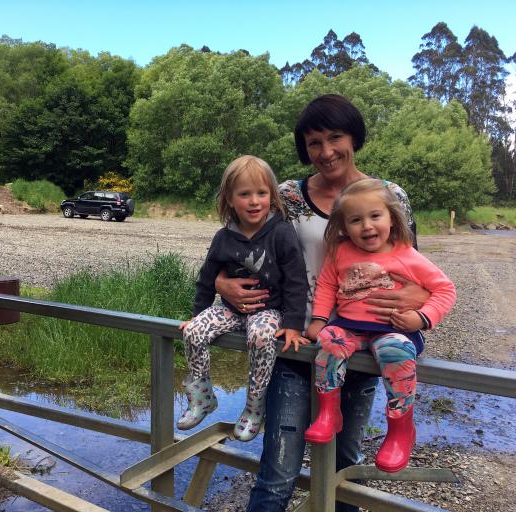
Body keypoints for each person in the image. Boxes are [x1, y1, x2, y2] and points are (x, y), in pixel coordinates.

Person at [215, 94, 430, 512]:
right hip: (296, 347)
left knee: (346, 468)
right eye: (314, 142)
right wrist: (223, 284)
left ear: (355, 137)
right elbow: (234, 250)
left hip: (364, 347)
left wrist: (410, 307)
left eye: (335, 137)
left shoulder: (388, 196)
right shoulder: (285, 197)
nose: (326, 151)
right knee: (277, 471)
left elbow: (414, 269)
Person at [304, 178, 456, 473]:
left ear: (391, 217)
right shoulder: (340, 252)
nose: (367, 226)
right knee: (328, 341)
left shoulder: (405, 253)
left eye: (375, 216)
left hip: (392, 329)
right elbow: (325, 286)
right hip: (348, 325)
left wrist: (422, 318)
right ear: (343, 226)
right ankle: (328, 412)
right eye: (356, 220)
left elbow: (446, 290)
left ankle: (400, 430)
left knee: (395, 353)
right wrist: (320, 320)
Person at [178, 155, 309, 442]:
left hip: (268, 309)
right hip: (230, 309)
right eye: (245, 194)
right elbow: (206, 277)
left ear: (271, 196)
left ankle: (254, 405)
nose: (254, 201)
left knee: (262, 338)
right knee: (194, 331)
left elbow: (297, 280)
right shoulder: (224, 237)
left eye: (261, 193)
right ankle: (201, 396)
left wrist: (294, 323)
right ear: (229, 198)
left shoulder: (282, 233)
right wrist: (197, 314)